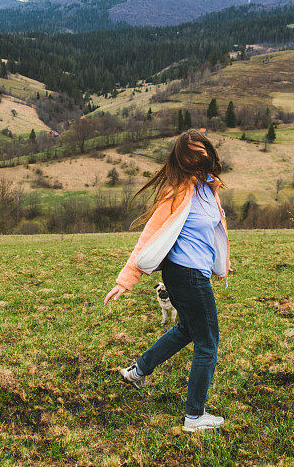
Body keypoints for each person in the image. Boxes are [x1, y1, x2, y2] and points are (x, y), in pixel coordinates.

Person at [104, 129, 232, 432]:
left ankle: (138, 371)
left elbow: (212, 231)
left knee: (189, 328)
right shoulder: (177, 192)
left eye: (203, 150)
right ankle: (194, 417)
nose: (200, 156)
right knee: (208, 344)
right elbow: (149, 236)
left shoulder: (209, 188)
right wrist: (127, 279)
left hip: (193, 273)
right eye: (192, 152)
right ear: (181, 158)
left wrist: (220, 262)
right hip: (184, 274)